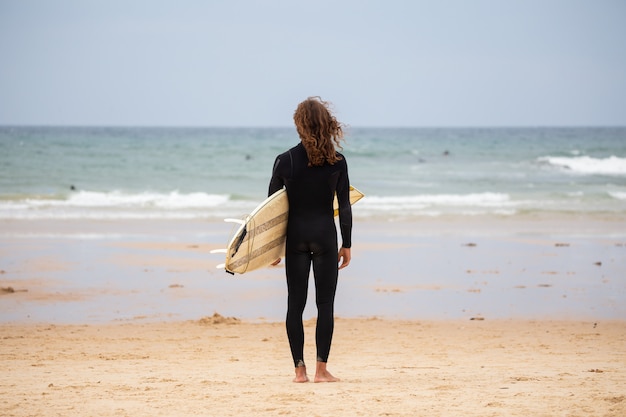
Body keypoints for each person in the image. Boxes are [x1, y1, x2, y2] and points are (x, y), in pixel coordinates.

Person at [268, 97, 352, 383]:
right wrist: (347, 244)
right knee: (325, 304)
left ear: (299, 125)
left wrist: (272, 249)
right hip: (325, 237)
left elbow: (271, 212)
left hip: (296, 239)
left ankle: (299, 372)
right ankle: (321, 370)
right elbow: (345, 205)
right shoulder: (337, 161)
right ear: (326, 124)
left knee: (295, 304)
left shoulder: (285, 160)